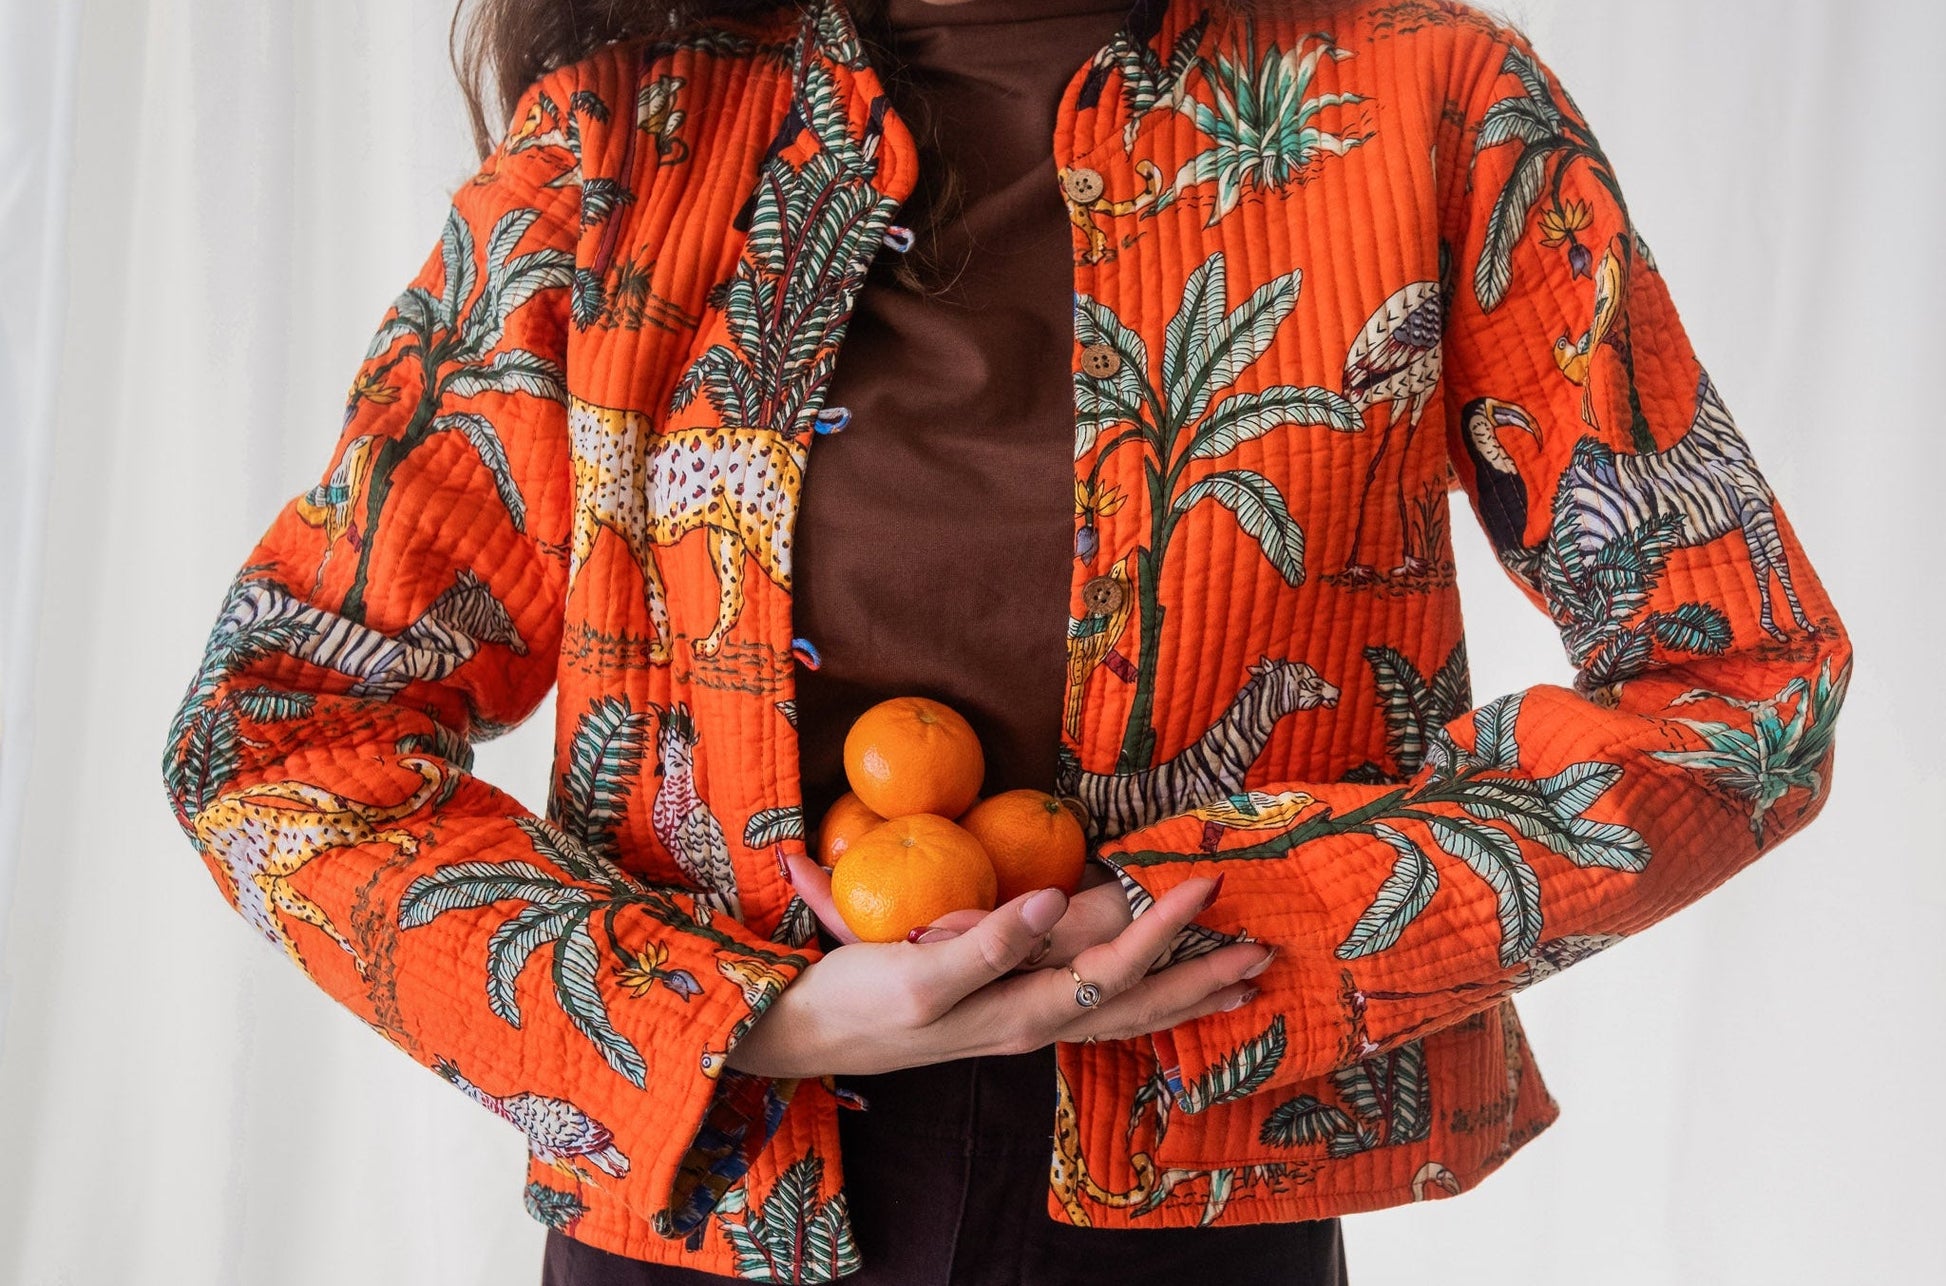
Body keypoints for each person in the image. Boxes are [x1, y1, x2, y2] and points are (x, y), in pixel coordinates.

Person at [158, 0, 1852, 1283]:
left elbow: (1740, 680)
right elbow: (278, 730)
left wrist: (1248, 922)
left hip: (1207, 1217)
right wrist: (732, 1021)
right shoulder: (614, 146)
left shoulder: (1427, 101)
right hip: (712, 1205)